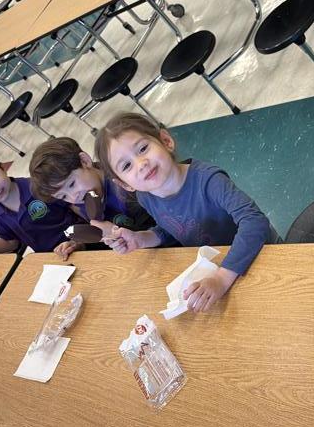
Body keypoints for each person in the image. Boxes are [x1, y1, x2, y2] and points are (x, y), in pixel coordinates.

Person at [94, 113, 279, 313]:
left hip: (263, 256)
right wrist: (140, 239)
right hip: (221, 270)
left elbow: (254, 222)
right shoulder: (146, 197)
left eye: (143, 148)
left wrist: (221, 278)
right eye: (127, 166)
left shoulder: (208, 180)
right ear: (124, 184)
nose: (141, 164)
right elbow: (169, 228)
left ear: (166, 141)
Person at [0, 149, 81, 259]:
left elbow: (76, 206)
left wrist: (78, 241)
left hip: (79, 245)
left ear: (1, 168)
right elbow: (11, 242)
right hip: (48, 258)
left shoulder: (38, 186)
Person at [29, 137, 153, 242]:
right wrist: (79, 244)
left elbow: (162, 230)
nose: (74, 197)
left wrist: (115, 232)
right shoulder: (82, 204)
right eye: (63, 197)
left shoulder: (126, 183)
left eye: (72, 184)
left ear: (85, 161)